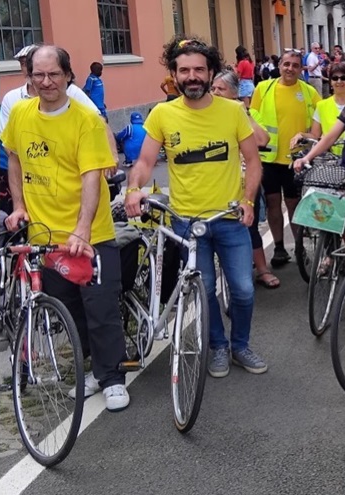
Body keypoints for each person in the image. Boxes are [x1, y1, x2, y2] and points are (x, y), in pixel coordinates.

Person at [125, 37, 267, 378]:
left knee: (244, 290)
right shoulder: (162, 113)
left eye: (199, 70)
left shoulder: (233, 111)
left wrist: (248, 201)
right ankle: (218, 346)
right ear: (174, 74)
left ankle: (241, 345)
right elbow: (145, 161)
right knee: (203, 291)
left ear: (211, 73)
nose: (192, 76)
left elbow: (252, 159)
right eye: (184, 70)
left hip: (230, 217)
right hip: (187, 222)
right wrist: (134, 189)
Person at [2, 45, 131, 411]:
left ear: (68, 76)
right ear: (29, 78)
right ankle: (96, 370)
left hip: (90, 236)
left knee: (100, 307)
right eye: (38, 75)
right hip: (44, 237)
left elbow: (92, 177)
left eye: (53, 74)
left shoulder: (85, 121)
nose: (46, 82)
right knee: (69, 309)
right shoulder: (21, 114)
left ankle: (113, 378)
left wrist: (82, 229)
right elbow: (14, 159)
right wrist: (19, 206)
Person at [250, 49, 322, 267]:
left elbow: (321, 123)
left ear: (301, 69)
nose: (290, 68)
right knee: (273, 202)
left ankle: (299, 247)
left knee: (294, 204)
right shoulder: (264, 88)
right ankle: (279, 248)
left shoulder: (309, 92)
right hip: (269, 159)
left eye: (295, 65)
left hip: (296, 160)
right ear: (279, 66)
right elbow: (252, 120)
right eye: (286, 64)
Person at [1, 44, 119, 174]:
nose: (46, 81)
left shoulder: (70, 92)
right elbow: (10, 144)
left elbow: (98, 120)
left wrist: (112, 154)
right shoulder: (12, 99)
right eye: (23, 63)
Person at [212, 70, 279, 290]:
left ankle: (262, 269)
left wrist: (243, 112)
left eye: (220, 89)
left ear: (234, 92)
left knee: (248, 227)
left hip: (244, 180)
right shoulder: (208, 113)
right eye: (213, 88)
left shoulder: (245, 112)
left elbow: (262, 139)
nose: (215, 92)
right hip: (216, 180)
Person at [303, 62, 345, 157]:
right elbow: (315, 135)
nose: (339, 81)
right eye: (335, 78)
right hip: (331, 160)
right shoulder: (322, 105)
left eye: (343, 78)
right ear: (330, 82)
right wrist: (301, 135)